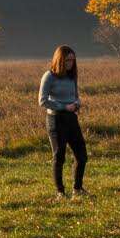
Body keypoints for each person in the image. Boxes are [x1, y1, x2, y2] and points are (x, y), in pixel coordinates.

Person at [39, 45, 88, 199]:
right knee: (59, 156)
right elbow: (42, 100)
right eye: (68, 60)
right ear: (60, 59)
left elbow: (76, 95)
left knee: (82, 155)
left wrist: (77, 103)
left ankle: (77, 188)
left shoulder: (71, 76)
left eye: (73, 60)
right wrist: (64, 107)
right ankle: (60, 192)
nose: (71, 63)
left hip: (71, 118)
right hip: (56, 119)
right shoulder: (49, 76)